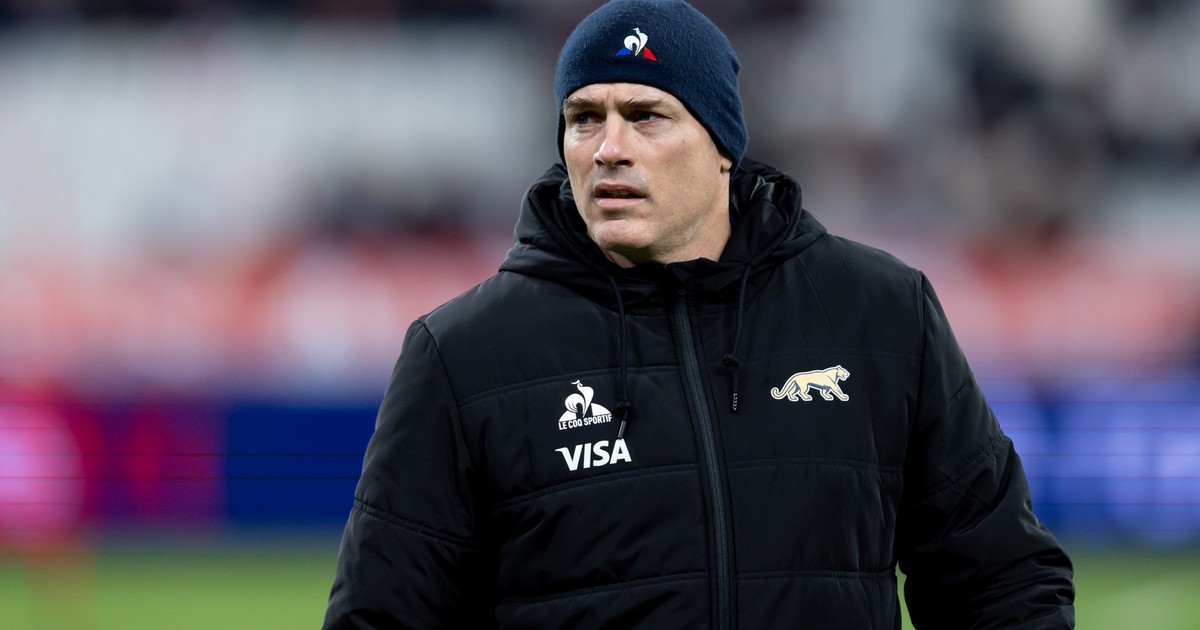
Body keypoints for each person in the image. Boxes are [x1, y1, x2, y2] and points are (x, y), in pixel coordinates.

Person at [323, 0, 1076, 627]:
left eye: (646, 115)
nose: (608, 148)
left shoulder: (878, 313)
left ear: (722, 145)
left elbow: (1003, 582)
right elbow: (380, 617)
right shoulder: (465, 353)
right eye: (584, 118)